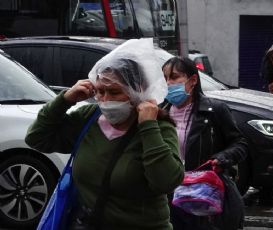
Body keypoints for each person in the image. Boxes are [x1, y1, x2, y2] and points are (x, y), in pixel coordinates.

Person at [25, 39, 184, 230]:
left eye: (114, 92)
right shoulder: (88, 118)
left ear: (137, 90)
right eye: (100, 92)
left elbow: (166, 181)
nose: (106, 100)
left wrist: (148, 126)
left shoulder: (159, 127)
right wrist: (65, 100)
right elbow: (36, 138)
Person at [161, 57, 248, 230]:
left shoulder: (215, 111)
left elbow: (240, 144)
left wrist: (222, 158)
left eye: (174, 77)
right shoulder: (159, 113)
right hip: (168, 197)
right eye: (165, 78)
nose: (169, 83)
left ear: (193, 80)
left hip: (202, 196)